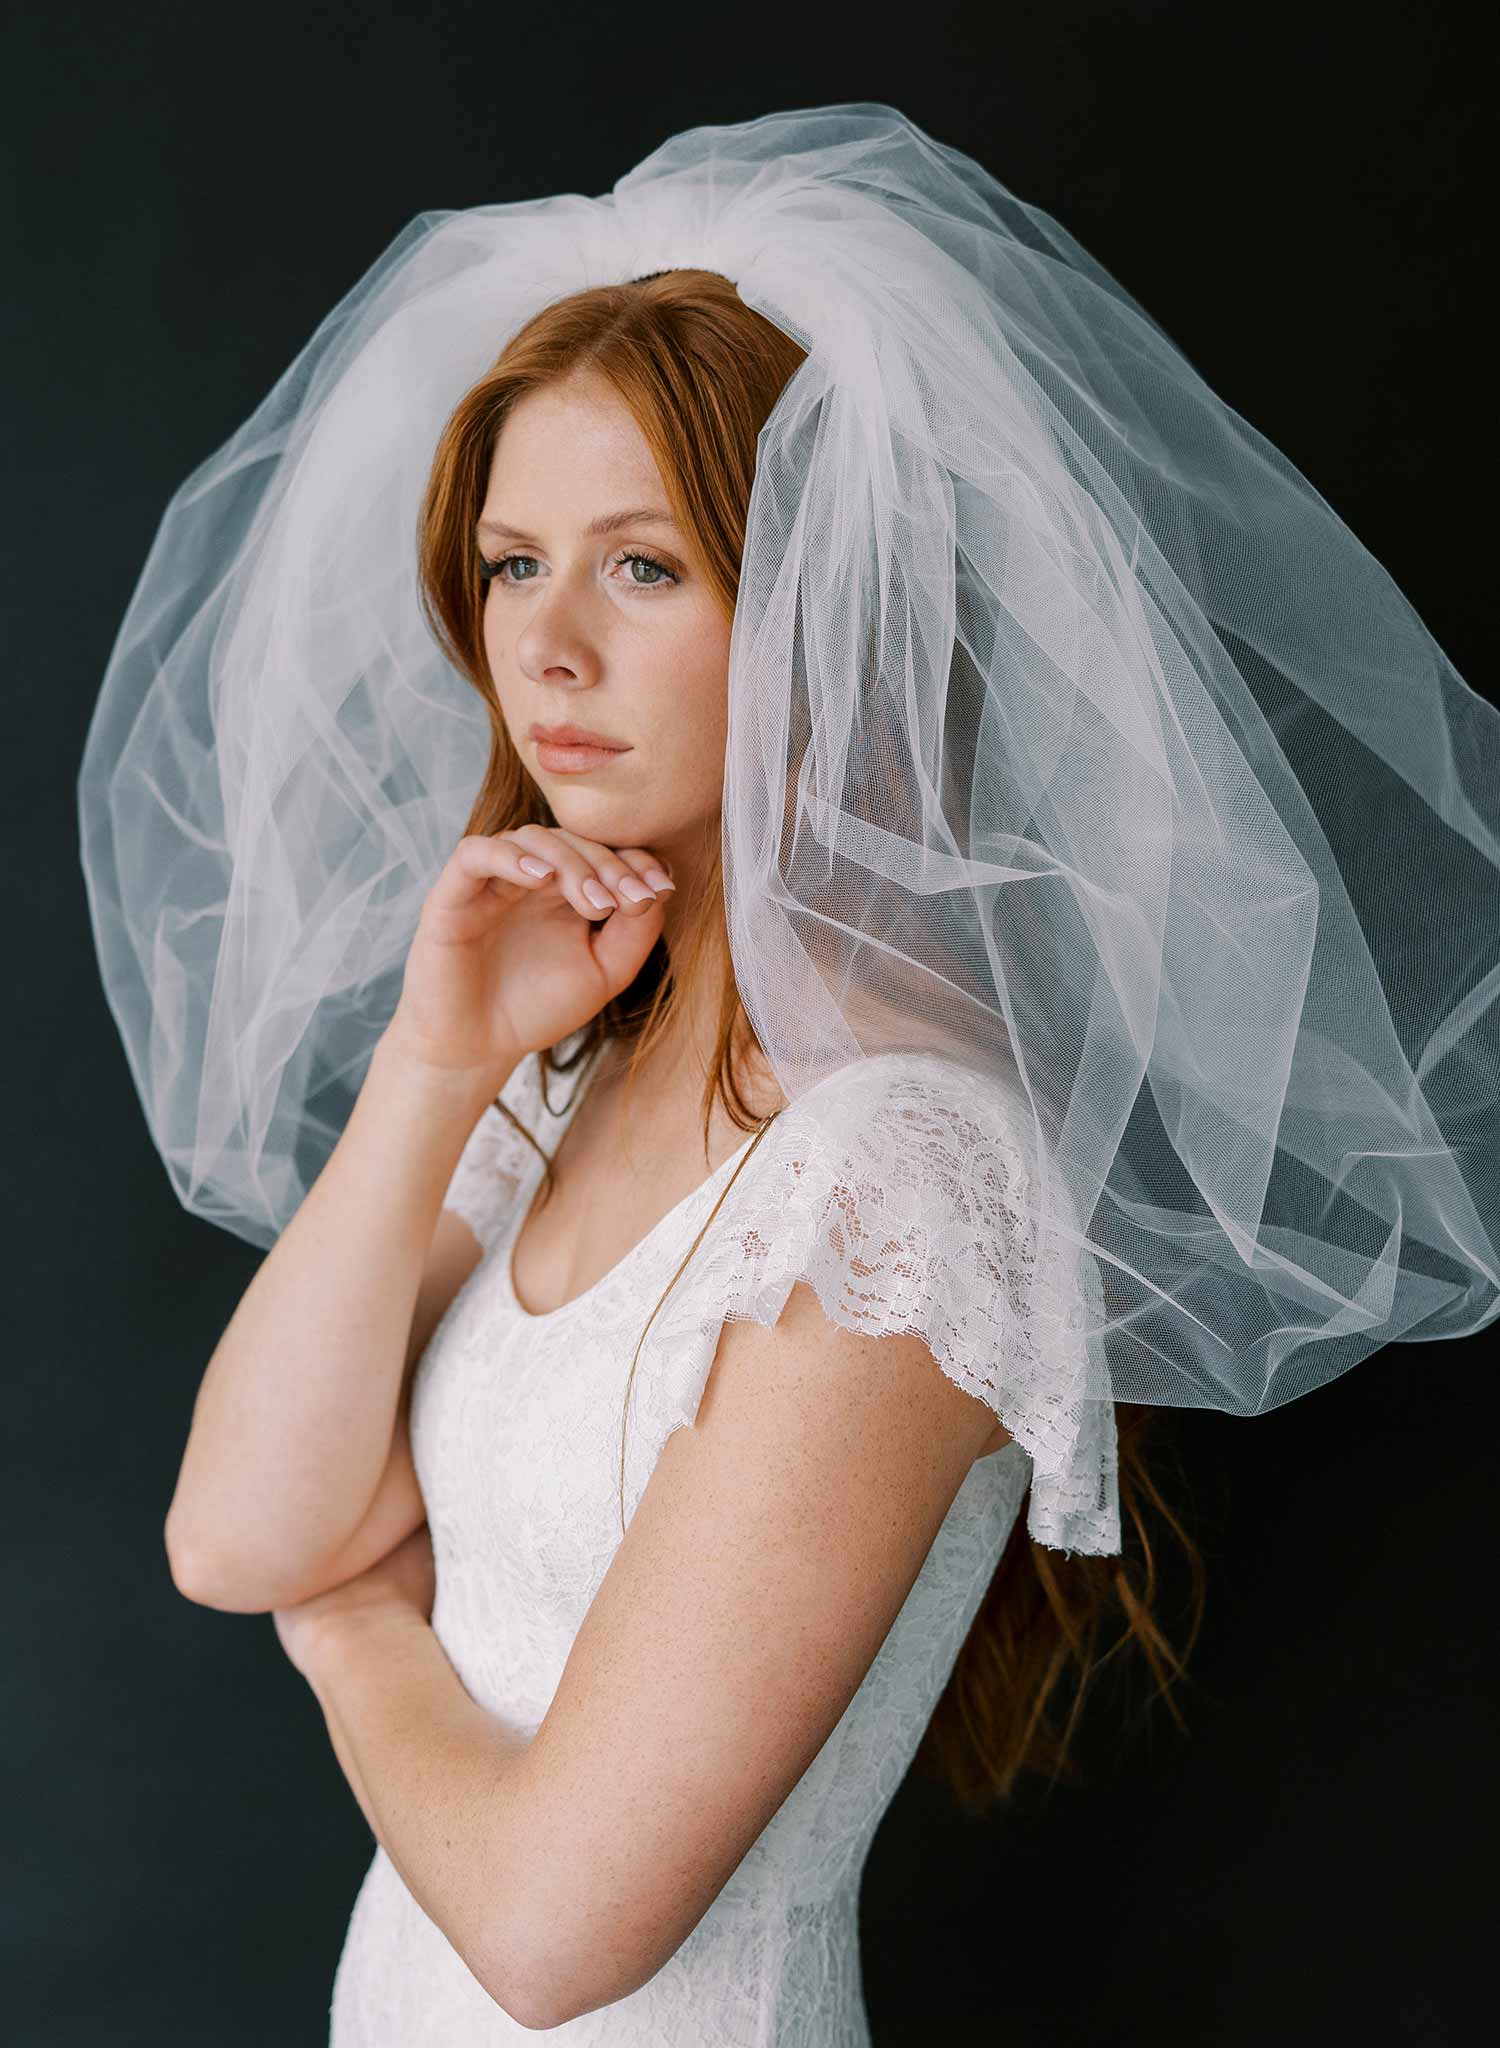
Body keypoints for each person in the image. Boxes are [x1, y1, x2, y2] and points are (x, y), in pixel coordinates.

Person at [77, 106, 1500, 2044]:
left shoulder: (904, 1168)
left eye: (646, 569)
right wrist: (432, 1063)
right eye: (511, 564)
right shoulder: (562, 1071)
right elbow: (231, 1530)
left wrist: (348, 1631)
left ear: (832, 607)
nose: (547, 651)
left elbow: (559, 1930)